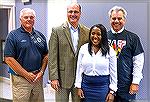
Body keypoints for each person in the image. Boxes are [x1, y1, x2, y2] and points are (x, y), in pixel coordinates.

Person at [4, 8, 48, 102]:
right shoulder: (13, 36)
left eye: (31, 17)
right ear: (21, 19)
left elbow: (46, 55)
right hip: (21, 79)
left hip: (37, 78)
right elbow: (9, 59)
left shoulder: (40, 35)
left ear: (34, 19)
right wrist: (26, 74)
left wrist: (41, 72)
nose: (29, 19)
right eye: (26, 17)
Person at [48, 2, 89, 102]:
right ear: (67, 13)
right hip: (62, 78)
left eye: (76, 12)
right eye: (70, 11)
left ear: (80, 13)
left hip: (80, 79)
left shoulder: (87, 31)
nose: (73, 14)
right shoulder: (57, 31)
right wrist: (53, 77)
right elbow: (52, 56)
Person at [107, 6, 144, 102]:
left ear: (124, 20)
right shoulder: (104, 37)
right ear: (110, 19)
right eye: (113, 18)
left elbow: (138, 61)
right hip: (107, 85)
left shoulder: (133, 38)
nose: (116, 21)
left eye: (119, 18)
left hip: (126, 85)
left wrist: (135, 82)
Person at [75, 24, 117, 102]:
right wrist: (79, 87)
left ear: (103, 36)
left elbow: (113, 72)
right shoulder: (83, 48)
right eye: (93, 33)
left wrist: (112, 92)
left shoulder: (110, 51)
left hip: (102, 88)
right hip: (86, 87)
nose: (95, 36)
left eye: (98, 34)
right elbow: (79, 69)